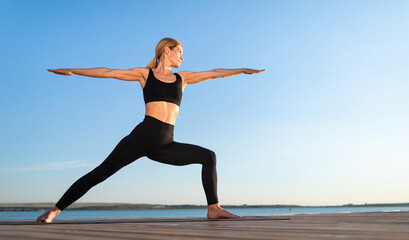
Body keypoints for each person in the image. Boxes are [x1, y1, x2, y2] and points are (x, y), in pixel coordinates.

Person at [36, 37, 265, 223]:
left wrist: (243, 70)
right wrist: (73, 70)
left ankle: (213, 208)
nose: (182, 57)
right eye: (180, 52)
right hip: (142, 136)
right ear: (167, 50)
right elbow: (108, 72)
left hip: (165, 143)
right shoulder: (145, 75)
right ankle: (54, 211)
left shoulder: (182, 78)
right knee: (101, 172)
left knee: (208, 156)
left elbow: (216, 72)